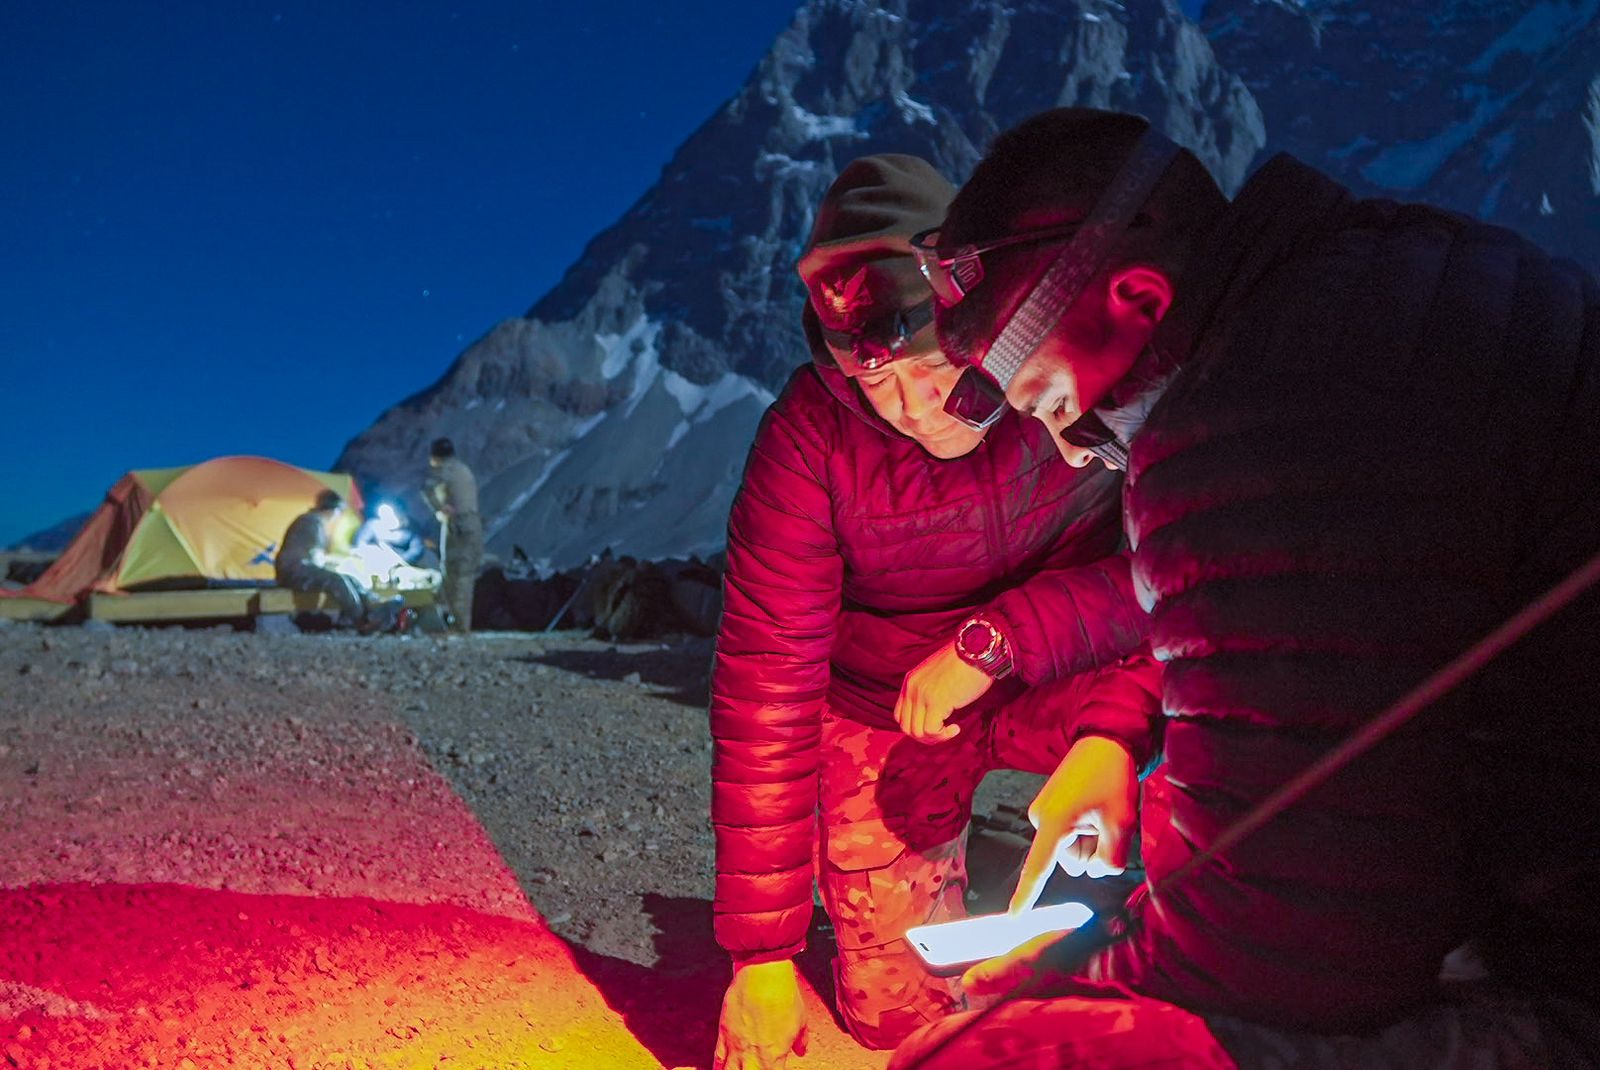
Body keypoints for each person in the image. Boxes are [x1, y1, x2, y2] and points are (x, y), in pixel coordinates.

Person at [889, 107, 1600, 1067]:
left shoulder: (1248, 416)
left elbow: (1292, 940)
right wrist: (1102, 724)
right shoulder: (1385, 281)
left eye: (1057, 404)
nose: (1073, 449)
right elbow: (1293, 594)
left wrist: (1084, 966)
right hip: (1544, 868)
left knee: (987, 1055)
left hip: (1568, 962)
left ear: (1139, 297)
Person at [711, 153, 1165, 1070]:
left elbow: (1176, 572)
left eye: (933, 369)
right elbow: (769, 685)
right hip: (895, 718)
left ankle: (1164, 912)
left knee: (1214, 701)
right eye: (880, 385)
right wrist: (760, 957)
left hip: (1060, 678)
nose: (919, 411)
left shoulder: (1060, 369)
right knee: (900, 1024)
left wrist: (1065, 694)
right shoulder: (809, 442)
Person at [275, 489, 401, 634]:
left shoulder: (312, 520)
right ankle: (362, 620)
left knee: (349, 578)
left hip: (297, 569)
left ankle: (373, 603)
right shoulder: (311, 522)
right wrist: (331, 563)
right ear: (334, 510)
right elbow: (312, 556)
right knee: (337, 581)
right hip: (294, 573)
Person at [424, 437, 482, 634]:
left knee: (452, 575)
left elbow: (427, 488)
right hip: (473, 523)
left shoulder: (443, 470)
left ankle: (454, 624)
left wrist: (439, 508)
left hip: (456, 525)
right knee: (466, 575)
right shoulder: (464, 470)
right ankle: (463, 624)